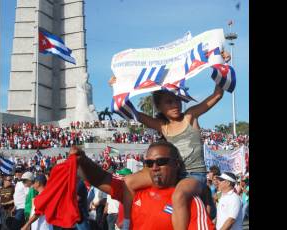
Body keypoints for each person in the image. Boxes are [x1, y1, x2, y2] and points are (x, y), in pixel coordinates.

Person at [109, 50, 230, 230]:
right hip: (170, 173)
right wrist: (117, 87)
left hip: (193, 175)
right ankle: (126, 223)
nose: (175, 105)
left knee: (179, 194)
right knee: (129, 182)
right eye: (169, 102)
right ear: (159, 106)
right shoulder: (162, 126)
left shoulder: (190, 116)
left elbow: (217, 95)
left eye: (177, 100)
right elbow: (133, 112)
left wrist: (223, 63)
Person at [72, 142, 215, 230]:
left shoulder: (189, 201)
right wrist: (82, 161)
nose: (154, 167)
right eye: (149, 163)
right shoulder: (134, 190)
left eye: (161, 161)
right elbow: (102, 178)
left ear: (176, 164)